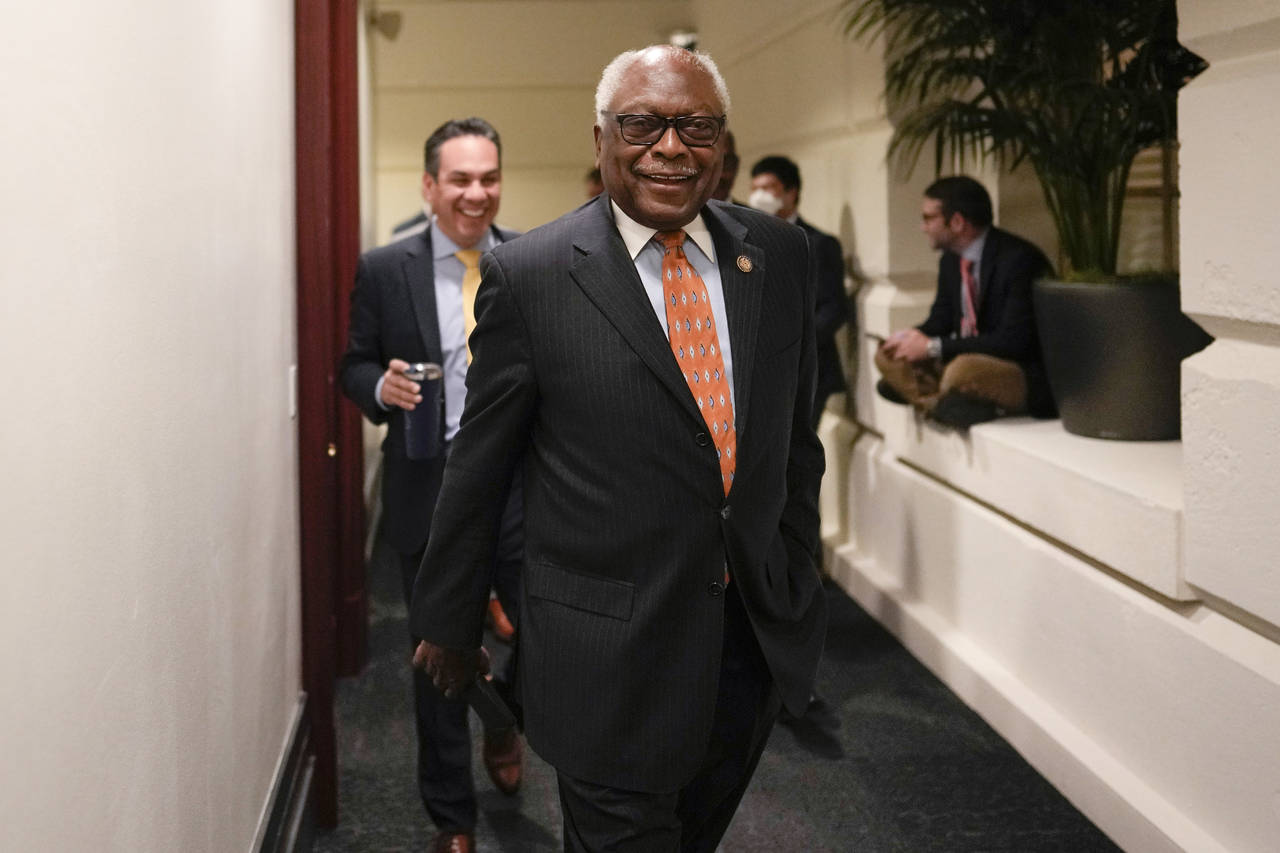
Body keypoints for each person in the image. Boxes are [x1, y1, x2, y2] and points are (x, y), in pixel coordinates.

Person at [409, 45, 827, 852]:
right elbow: (482, 461)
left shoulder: (777, 256)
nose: (671, 147)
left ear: (722, 142)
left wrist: (796, 576)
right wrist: (450, 618)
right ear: (600, 137)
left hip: (746, 644)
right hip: (605, 655)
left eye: (696, 126)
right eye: (643, 124)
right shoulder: (531, 274)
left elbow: (793, 443)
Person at [339, 117, 526, 853]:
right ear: (429, 186)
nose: (476, 193)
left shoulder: (531, 261)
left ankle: (506, 714)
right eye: (460, 179)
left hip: (520, 486)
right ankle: (453, 817)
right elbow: (352, 364)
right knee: (434, 659)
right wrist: (378, 384)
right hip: (429, 487)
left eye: (488, 178)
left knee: (547, 635)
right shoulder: (387, 269)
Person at [876, 175, 1055, 428]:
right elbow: (941, 319)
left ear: (957, 222)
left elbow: (1014, 341)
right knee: (887, 356)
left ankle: (938, 399)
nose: (922, 227)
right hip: (965, 356)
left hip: (1013, 367)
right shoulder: (950, 261)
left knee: (961, 371)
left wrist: (932, 347)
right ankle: (942, 403)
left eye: (928, 218)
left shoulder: (1018, 260)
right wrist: (911, 337)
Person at [749, 155, 849, 429]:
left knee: (796, 453)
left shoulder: (818, 244)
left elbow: (834, 308)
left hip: (807, 370)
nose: (758, 196)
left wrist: (790, 344)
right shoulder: (747, 242)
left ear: (791, 192)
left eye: (768, 188)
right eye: (754, 188)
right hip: (762, 371)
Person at [710, 130, 739, 203]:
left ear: (735, 167)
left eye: (725, 164)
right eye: (710, 164)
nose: (717, 176)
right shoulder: (678, 213)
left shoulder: (755, 214)